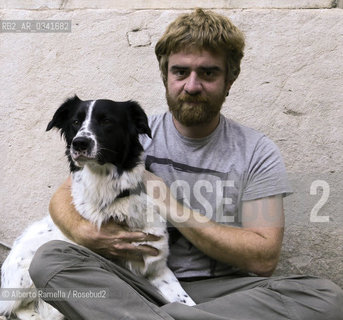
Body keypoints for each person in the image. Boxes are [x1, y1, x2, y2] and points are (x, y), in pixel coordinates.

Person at [29, 8, 343, 319]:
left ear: (230, 79)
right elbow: (64, 197)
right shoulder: (129, 134)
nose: (192, 86)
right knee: (50, 260)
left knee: (325, 297)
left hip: (226, 292)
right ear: (165, 76)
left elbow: (263, 258)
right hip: (135, 285)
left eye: (208, 73)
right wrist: (85, 233)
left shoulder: (257, 151)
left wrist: (173, 208)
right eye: (180, 72)